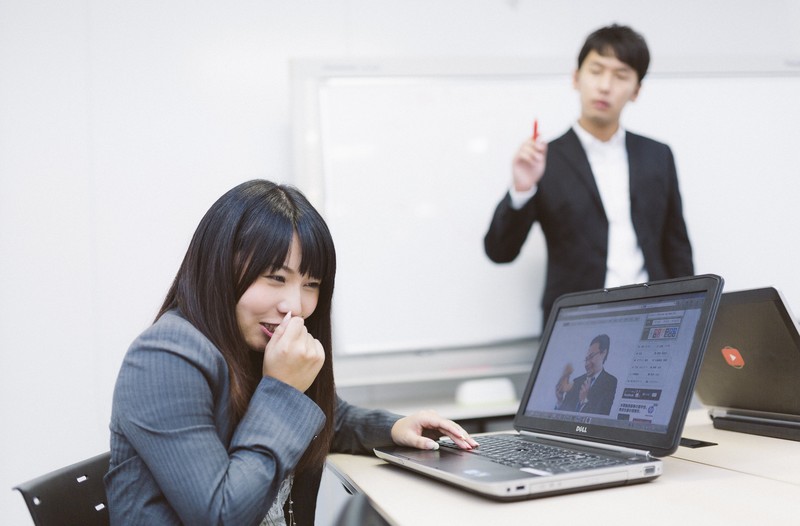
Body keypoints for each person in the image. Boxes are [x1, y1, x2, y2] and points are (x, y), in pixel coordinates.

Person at [105, 180, 479, 525]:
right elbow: (221, 515)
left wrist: (394, 427)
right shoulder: (164, 358)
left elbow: (326, 417)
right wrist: (282, 391)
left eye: (311, 284)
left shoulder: (251, 342)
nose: (295, 305)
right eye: (276, 278)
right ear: (220, 266)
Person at [484, 24, 694, 325]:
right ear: (576, 78)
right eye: (596, 70)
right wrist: (522, 188)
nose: (605, 85)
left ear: (636, 90)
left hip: (653, 317)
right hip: (575, 323)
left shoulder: (657, 155)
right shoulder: (545, 159)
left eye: (621, 75)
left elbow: (676, 244)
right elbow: (500, 251)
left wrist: (689, 313)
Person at [555, 334, 617, 415]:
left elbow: (601, 414)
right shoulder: (577, 381)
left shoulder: (610, 382)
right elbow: (562, 416)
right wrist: (560, 400)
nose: (587, 364)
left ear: (603, 353)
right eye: (586, 359)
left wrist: (584, 401)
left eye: (591, 357)